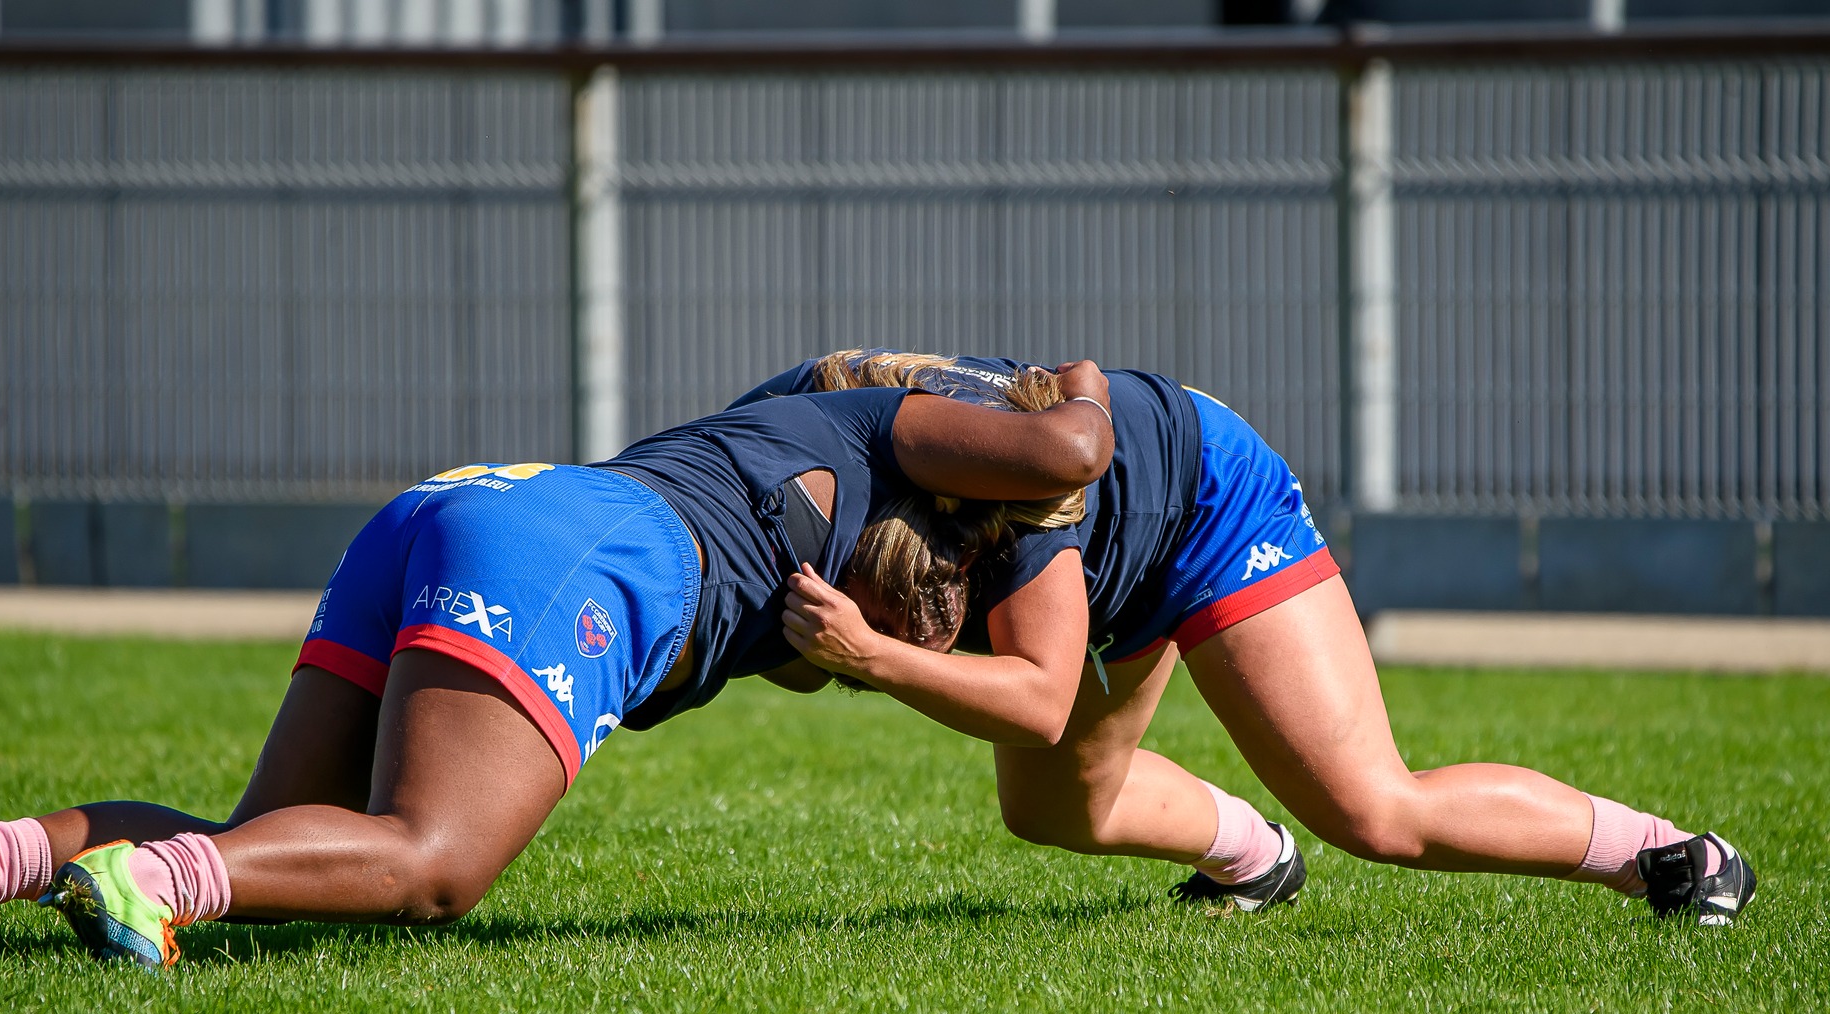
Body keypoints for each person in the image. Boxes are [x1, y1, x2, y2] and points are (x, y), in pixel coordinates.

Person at [0, 368, 1118, 968]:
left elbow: (820, 640)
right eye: (952, 578)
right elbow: (1064, 453)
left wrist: (869, 650)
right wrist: (1088, 390)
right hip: (581, 545)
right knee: (433, 861)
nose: (947, 595)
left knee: (278, 841)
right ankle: (144, 884)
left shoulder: (783, 451)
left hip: (471, 502)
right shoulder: (871, 425)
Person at [750, 350, 1757, 927]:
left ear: (960, 563)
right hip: (1120, 549)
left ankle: (1674, 857)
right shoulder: (806, 443)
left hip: (1210, 505)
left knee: (1373, 811)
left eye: (940, 633)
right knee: (1061, 810)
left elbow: (1037, 699)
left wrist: (875, 654)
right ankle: (1254, 857)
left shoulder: (1018, 537)